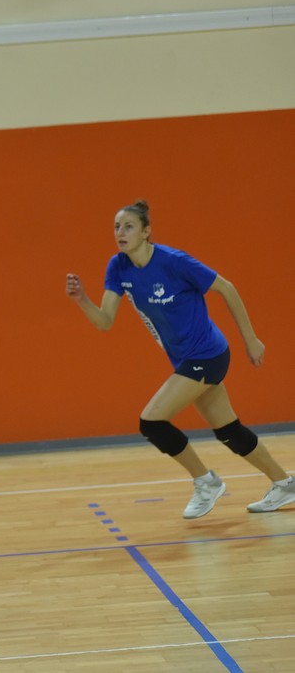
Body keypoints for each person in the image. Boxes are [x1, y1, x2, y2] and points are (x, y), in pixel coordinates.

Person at [66, 199, 295, 519]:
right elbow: (104, 321)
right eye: (116, 227)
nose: (120, 232)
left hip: (208, 353)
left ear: (146, 231)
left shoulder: (174, 262)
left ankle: (206, 482)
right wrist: (82, 300)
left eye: (129, 226)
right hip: (186, 359)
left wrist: (251, 339)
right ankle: (284, 484)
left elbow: (227, 288)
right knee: (229, 430)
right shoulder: (118, 266)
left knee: (151, 422)